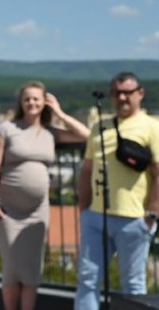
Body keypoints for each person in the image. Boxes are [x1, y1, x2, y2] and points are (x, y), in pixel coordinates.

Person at [0, 81, 90, 310]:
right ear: (21, 103)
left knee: (32, 269)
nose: (32, 103)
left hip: (38, 210)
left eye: (36, 99)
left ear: (44, 103)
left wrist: (60, 113)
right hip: (8, 209)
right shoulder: (6, 129)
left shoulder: (50, 133)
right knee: (12, 268)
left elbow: (86, 136)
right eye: (27, 99)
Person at [75, 72, 159, 310]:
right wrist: (84, 210)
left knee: (133, 284)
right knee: (88, 279)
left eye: (127, 93)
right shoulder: (100, 127)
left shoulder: (153, 127)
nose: (122, 98)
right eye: (117, 93)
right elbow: (86, 170)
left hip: (134, 219)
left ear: (140, 94)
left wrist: (151, 215)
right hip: (96, 216)